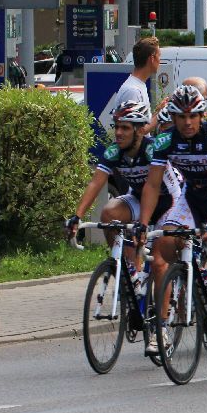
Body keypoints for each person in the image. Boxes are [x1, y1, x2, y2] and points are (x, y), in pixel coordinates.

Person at [137, 85, 207, 361]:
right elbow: (152, 185)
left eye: (193, 116)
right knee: (163, 246)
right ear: (173, 118)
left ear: (201, 115)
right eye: (181, 117)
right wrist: (142, 223)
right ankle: (164, 323)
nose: (187, 123)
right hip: (192, 197)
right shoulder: (164, 142)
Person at [65, 102, 180, 290]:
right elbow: (95, 183)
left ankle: (163, 317)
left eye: (125, 128)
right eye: (117, 126)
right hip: (139, 198)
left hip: (169, 203)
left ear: (140, 131)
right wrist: (77, 217)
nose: (118, 132)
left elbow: (158, 189)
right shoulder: (114, 151)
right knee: (109, 214)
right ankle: (131, 271)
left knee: (159, 262)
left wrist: (143, 225)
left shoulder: (152, 150)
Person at [114, 36, 159, 114]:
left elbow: (141, 124)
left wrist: (157, 112)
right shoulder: (133, 91)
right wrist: (158, 116)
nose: (160, 60)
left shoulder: (137, 86)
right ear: (152, 59)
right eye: (159, 56)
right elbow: (132, 125)